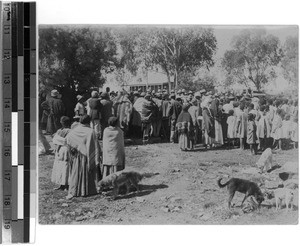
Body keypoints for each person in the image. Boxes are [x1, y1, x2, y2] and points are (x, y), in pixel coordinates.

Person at [66, 115, 102, 199]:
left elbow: (68, 139)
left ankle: (75, 190)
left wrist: (74, 148)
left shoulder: (74, 130)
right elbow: (94, 145)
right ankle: (87, 190)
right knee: (87, 173)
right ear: (89, 121)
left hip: (77, 156)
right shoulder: (91, 131)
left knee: (76, 173)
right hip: (87, 156)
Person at [51, 116, 71, 191]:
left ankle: (64, 184)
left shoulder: (61, 131)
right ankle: (64, 184)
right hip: (64, 149)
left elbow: (55, 140)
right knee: (65, 166)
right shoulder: (70, 131)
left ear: (62, 123)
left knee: (62, 166)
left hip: (63, 149)